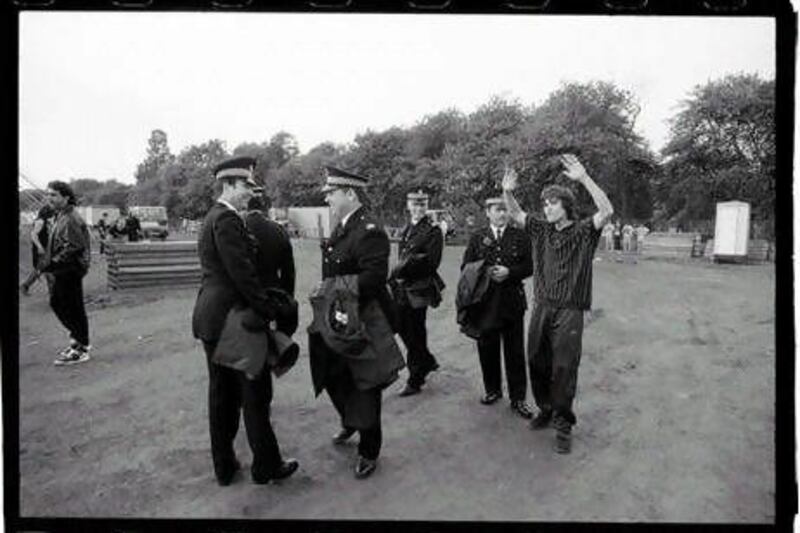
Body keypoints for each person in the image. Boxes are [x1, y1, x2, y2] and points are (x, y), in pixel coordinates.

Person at [191, 156, 298, 486]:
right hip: (232, 321)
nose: (250, 193)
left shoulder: (213, 217)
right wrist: (269, 312)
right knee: (254, 393)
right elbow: (244, 276)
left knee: (221, 396)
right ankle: (267, 465)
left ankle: (224, 467)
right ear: (228, 185)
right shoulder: (227, 219)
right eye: (245, 186)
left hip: (213, 319)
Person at [502, 153, 614, 454]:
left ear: (565, 206)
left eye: (552, 203)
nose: (546, 207)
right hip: (542, 305)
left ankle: (564, 424)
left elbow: (607, 209)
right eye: (545, 203)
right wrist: (508, 191)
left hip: (570, 309)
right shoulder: (540, 230)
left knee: (564, 367)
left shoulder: (583, 231)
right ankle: (547, 409)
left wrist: (584, 178)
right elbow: (515, 213)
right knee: (537, 359)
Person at [308, 166, 405, 480]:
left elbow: (375, 277)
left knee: (366, 383)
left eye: (332, 193)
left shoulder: (370, 228)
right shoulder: (343, 226)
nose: (328, 198)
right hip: (339, 314)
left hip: (365, 317)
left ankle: (369, 450)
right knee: (333, 374)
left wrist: (333, 291)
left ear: (350, 193)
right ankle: (350, 421)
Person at [460, 197, 534, 419]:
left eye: (505, 210)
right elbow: (466, 267)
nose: (502, 214)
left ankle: (518, 398)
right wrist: (486, 271)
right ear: (488, 212)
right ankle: (492, 390)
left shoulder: (520, 236)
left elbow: (529, 267)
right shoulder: (478, 237)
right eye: (497, 210)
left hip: (512, 302)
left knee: (515, 352)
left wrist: (510, 272)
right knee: (487, 348)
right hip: (485, 303)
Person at [390, 190, 444, 397]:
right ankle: (427, 361)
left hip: (419, 289)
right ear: (408, 205)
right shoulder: (406, 229)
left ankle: (415, 379)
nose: (418, 208)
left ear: (426, 206)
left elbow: (431, 262)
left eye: (422, 205)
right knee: (404, 328)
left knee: (414, 331)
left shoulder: (433, 231)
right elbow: (403, 256)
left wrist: (403, 269)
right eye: (415, 204)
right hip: (403, 289)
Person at [39, 181, 92, 365]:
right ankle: (77, 341)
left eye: (53, 195)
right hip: (65, 268)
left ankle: (81, 347)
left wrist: (53, 262)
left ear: (65, 197)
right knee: (62, 304)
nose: (49, 198)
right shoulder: (61, 215)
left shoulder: (70, 218)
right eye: (48, 194)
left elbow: (75, 247)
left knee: (70, 306)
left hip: (71, 268)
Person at [244, 193, 296, 297]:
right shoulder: (278, 230)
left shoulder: (239, 229)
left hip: (245, 294)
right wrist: (287, 298)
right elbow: (288, 272)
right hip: (272, 292)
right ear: (265, 209)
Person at [20, 204, 55, 296]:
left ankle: (25, 285)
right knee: (48, 270)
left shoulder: (45, 221)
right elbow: (33, 235)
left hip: (45, 248)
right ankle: (53, 294)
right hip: (40, 249)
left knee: (39, 269)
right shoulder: (40, 222)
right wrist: (39, 247)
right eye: (51, 212)